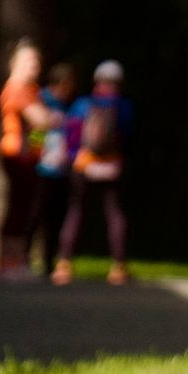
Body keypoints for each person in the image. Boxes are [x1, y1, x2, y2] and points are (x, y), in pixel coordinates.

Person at [56, 60, 136, 285]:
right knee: (114, 214)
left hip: (84, 164)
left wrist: (73, 156)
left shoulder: (82, 104)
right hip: (111, 166)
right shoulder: (123, 106)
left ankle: (64, 264)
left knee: (75, 212)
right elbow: (127, 135)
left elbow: (71, 133)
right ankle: (119, 267)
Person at [0, 41, 56, 280]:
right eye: (29, 60)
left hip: (29, 156)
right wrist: (50, 119)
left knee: (24, 209)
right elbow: (41, 119)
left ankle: (16, 261)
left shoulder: (31, 89)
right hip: (16, 154)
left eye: (37, 60)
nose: (35, 65)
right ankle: (8, 264)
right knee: (18, 209)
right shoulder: (17, 88)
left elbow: (43, 125)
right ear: (14, 63)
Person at [29, 61, 79, 276]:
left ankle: (48, 262)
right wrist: (37, 150)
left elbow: (73, 134)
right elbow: (34, 131)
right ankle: (23, 257)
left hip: (61, 168)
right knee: (35, 214)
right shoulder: (42, 100)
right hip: (41, 167)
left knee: (55, 217)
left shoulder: (69, 106)